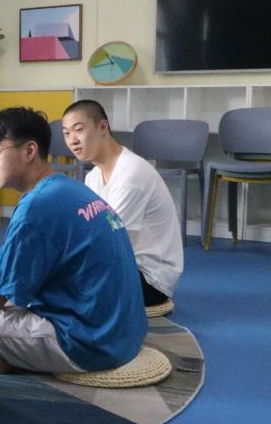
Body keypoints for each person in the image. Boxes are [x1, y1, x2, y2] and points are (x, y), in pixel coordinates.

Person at [0, 107, 146, 373]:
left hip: (88, 344)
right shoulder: (70, 187)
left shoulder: (35, 207)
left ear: (29, 150)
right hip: (127, 333)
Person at [62, 100, 183, 309]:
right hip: (122, 264)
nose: (73, 140)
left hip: (149, 279)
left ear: (102, 127)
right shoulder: (94, 177)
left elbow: (111, 242)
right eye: (66, 133)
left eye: (79, 130)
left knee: (56, 283)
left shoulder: (130, 174)